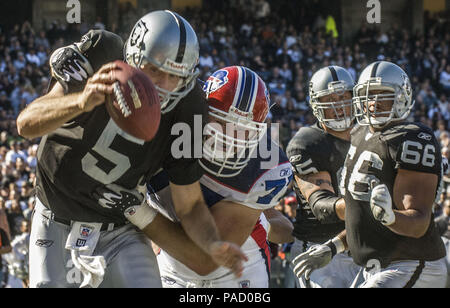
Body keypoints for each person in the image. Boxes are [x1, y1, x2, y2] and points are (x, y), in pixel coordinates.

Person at [17, 11, 245, 288]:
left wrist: (212, 243)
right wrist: (80, 101)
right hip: (56, 218)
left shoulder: (189, 105)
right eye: (155, 70)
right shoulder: (103, 54)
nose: (164, 86)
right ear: (133, 58)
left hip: (119, 230)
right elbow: (26, 124)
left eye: (175, 75)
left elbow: (190, 203)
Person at [293, 61, 447, 288]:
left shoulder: (413, 139)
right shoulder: (360, 136)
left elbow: (419, 222)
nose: (373, 103)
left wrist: (390, 217)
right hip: (373, 269)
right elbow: (362, 220)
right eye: (367, 95)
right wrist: (333, 246)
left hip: (412, 263)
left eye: (382, 95)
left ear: (402, 96)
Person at [147, 66, 293, 288]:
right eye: (220, 121)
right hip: (171, 266)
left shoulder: (264, 164)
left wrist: (137, 213)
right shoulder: (171, 127)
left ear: (259, 130)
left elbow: (205, 261)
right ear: (201, 110)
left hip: (236, 272)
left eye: (242, 128)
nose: (229, 136)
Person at [286, 66, 360, 288]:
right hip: (320, 250)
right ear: (316, 105)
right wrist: (366, 209)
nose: (338, 107)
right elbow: (322, 207)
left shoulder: (368, 137)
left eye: (344, 97)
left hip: (361, 246)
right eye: (330, 100)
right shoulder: (308, 142)